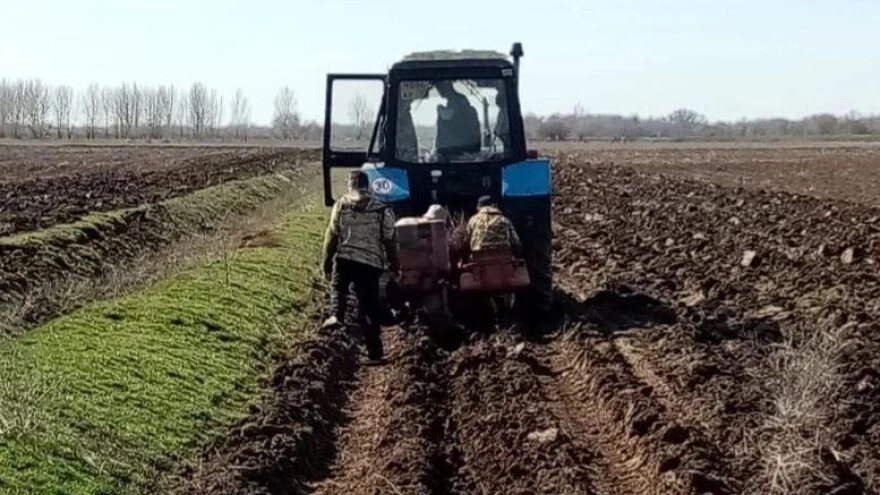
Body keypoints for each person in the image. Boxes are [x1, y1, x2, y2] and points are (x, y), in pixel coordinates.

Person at [322, 170, 399, 364]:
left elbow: (331, 235)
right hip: (371, 263)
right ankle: (375, 354)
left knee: (338, 287)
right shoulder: (382, 209)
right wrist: (394, 264)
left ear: (350, 184)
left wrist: (327, 262)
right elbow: (390, 240)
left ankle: (336, 315)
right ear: (368, 185)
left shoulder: (341, 204)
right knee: (368, 308)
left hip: (345, 258)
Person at [435, 80, 481, 159]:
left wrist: (439, 109)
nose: (439, 91)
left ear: (448, 85)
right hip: (465, 151)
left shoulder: (458, 102)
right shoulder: (456, 101)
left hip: (459, 153)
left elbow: (448, 117)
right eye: (438, 88)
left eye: (440, 87)